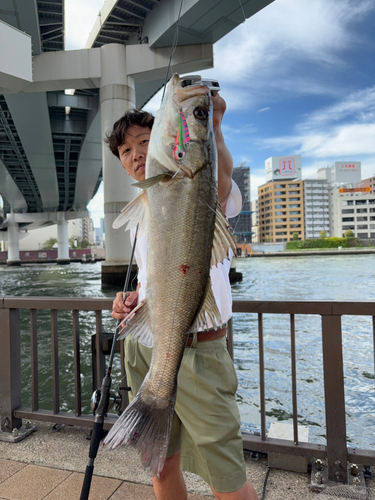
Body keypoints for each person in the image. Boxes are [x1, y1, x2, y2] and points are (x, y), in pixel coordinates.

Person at [107, 84, 259, 500]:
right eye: (126, 150)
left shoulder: (198, 184)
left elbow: (221, 180)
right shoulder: (145, 207)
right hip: (146, 347)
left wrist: (212, 126)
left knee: (225, 476)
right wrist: (130, 302)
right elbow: (154, 278)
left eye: (144, 141)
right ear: (121, 164)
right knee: (161, 465)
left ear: (166, 139)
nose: (137, 153)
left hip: (199, 349)